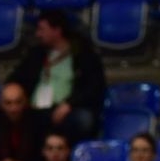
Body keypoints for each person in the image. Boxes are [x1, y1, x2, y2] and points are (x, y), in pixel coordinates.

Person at [9, 10, 106, 142]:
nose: (38, 34)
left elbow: (94, 86)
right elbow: (15, 78)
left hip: (67, 109)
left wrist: (69, 104)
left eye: (42, 29)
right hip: (35, 109)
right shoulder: (36, 54)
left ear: (57, 30)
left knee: (83, 119)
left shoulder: (83, 54)